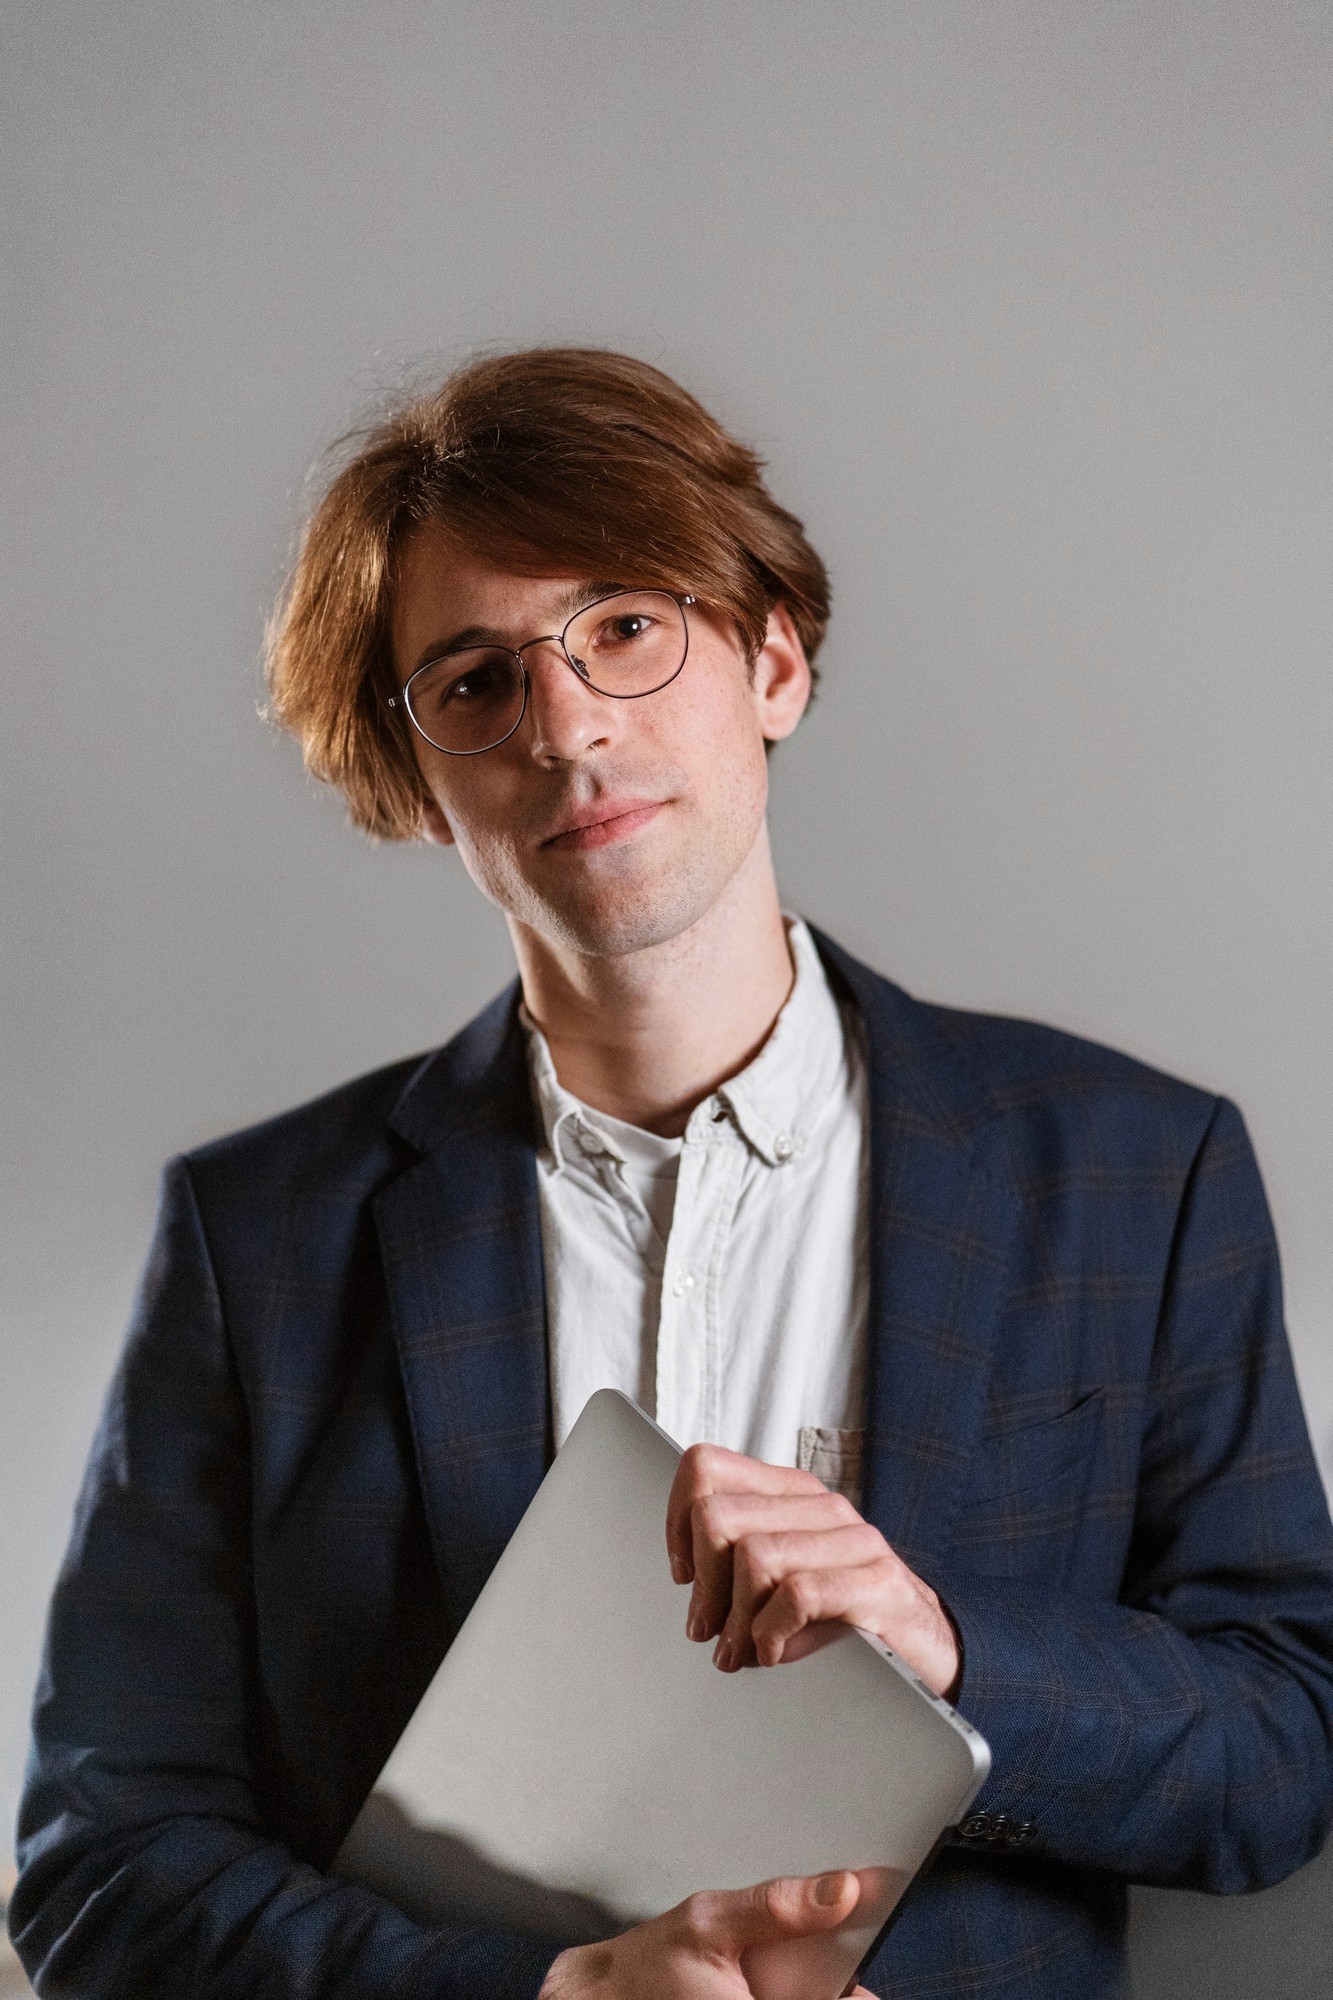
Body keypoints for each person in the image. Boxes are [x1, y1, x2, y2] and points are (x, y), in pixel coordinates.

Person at [11, 349, 1333, 2000]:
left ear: (772, 658)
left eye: (624, 628)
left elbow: (1284, 1754)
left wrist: (946, 1645)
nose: (565, 724)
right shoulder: (257, 1239)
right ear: (420, 774)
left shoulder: (1136, 1172)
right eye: (476, 680)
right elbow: (98, 1870)